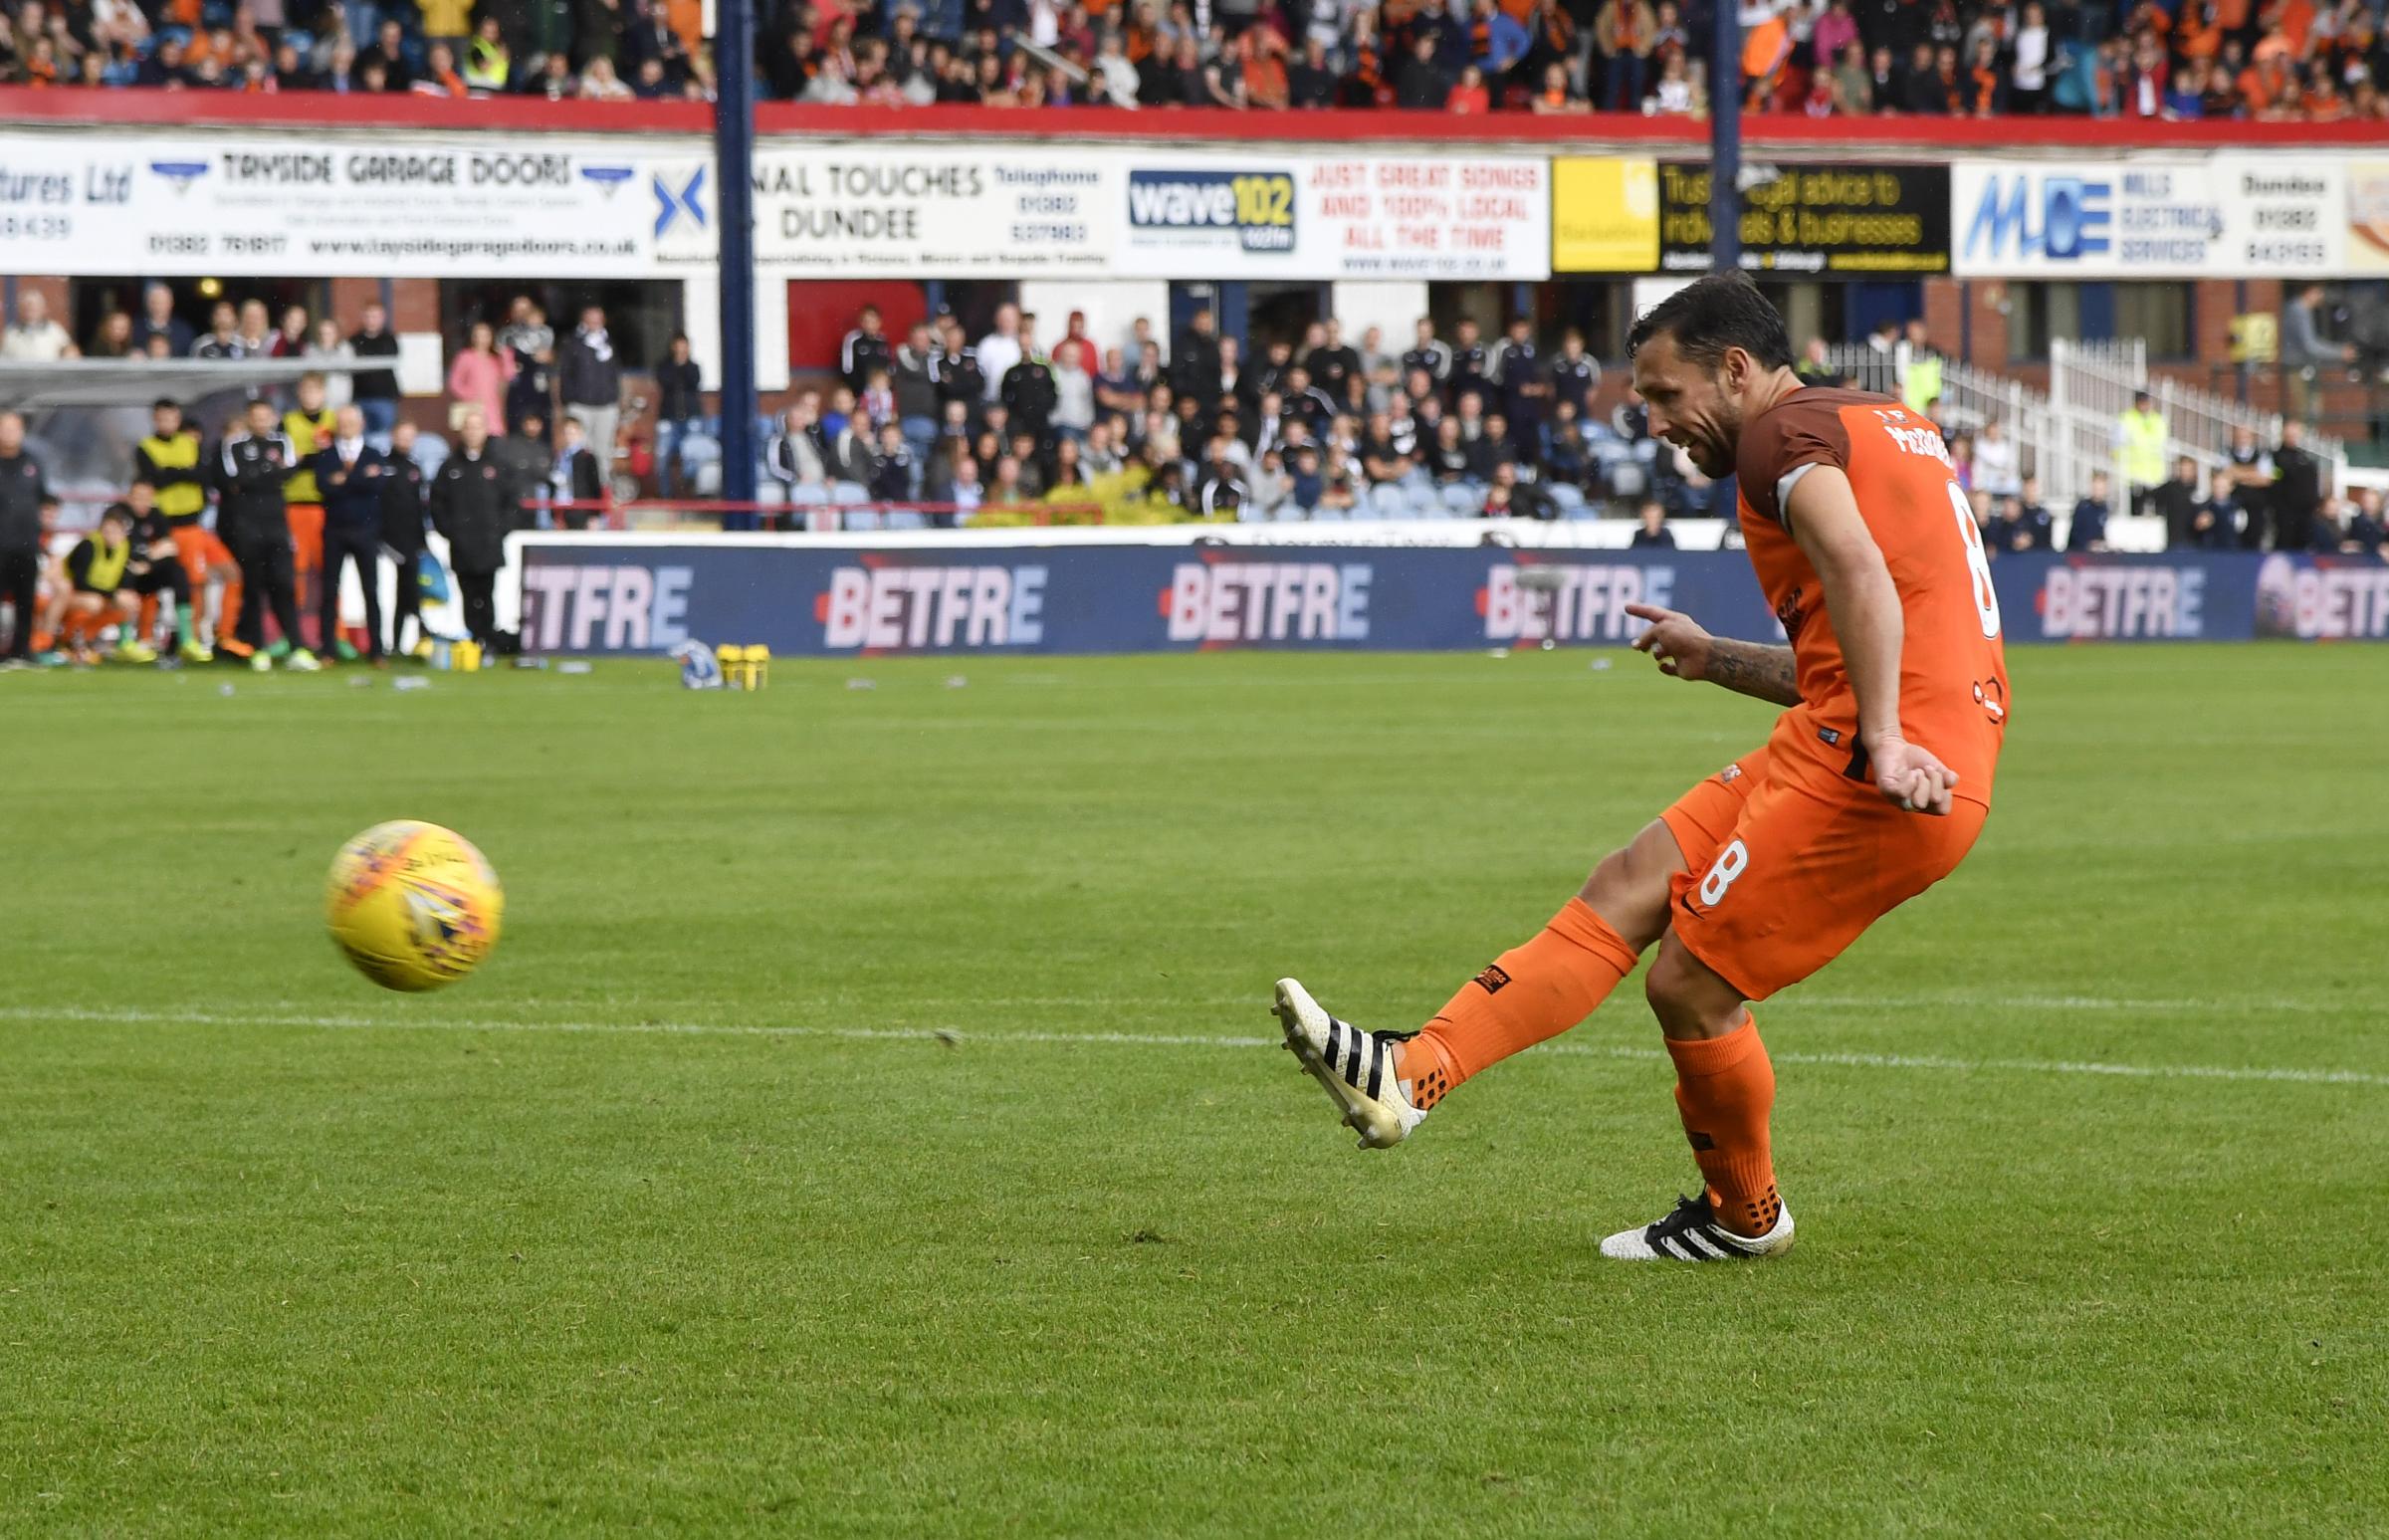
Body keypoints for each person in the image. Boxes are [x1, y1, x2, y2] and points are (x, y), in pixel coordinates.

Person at [1269, 273, 2007, 1264]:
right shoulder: (1878, 420)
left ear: (1737, 369)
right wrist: (1719, 657)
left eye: (1666, 395)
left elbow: (1861, 575)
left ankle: (1744, 1214)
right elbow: (1872, 632)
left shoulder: (1775, 440)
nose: (1655, 422)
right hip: (1869, 735)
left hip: (1881, 764)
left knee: (1691, 985)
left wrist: (1882, 738)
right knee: (1631, 879)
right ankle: (1407, 1071)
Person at [212, 397, 319, 671]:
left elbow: (289, 472)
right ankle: (257, 649)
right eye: (255, 417)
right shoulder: (234, 444)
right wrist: (268, 472)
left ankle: (297, 648)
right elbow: (235, 479)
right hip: (247, 525)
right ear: (249, 419)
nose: (260, 421)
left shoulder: (282, 441)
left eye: (265, 416)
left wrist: (261, 473)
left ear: (272, 417)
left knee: (284, 584)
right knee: (252, 588)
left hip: (276, 525)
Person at [311, 404, 388, 663]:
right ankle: (328, 649)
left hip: (366, 530)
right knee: (330, 591)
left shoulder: (373, 454)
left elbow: (376, 485)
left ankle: (377, 650)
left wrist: (344, 479)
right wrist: (359, 479)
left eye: (351, 422)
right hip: (334, 530)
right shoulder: (326, 455)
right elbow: (323, 487)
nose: (346, 427)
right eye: (342, 423)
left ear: (361, 423)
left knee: (371, 590)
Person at [428, 409, 510, 645]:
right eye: (468, 427)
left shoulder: (497, 466)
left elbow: (512, 502)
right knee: (468, 593)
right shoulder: (450, 467)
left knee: (487, 592)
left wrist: (499, 529)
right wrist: (450, 531)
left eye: (477, 427)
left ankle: (489, 640)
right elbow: (437, 504)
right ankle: (473, 639)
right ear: (462, 431)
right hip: (462, 544)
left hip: (489, 543)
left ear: (485, 431)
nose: (473, 432)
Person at [48, 505, 156, 664]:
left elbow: (133, 568)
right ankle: (66, 640)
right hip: (67, 595)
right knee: (93, 603)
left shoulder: (123, 547)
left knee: (129, 600)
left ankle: (123, 643)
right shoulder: (88, 546)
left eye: (115, 530)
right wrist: (113, 595)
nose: (110, 535)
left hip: (99, 595)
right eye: (107, 530)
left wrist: (145, 566)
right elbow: (80, 583)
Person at [282, 374, 339, 649]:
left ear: (323, 394)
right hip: (295, 504)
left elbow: (335, 459)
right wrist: (312, 459)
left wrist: (309, 458)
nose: (310, 397)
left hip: (326, 506)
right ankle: (293, 637)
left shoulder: (334, 421)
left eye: (315, 391)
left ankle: (334, 636)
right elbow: (286, 465)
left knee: (329, 572)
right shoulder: (288, 422)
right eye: (305, 391)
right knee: (297, 573)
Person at [119, 481, 205, 662]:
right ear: (129, 497)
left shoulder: (156, 515)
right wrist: (142, 557)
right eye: (137, 497)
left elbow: (169, 547)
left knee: (179, 574)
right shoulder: (119, 515)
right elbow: (116, 545)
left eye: (146, 498)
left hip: (148, 569)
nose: (141, 502)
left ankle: (186, 640)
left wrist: (147, 563)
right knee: (124, 574)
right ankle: (124, 642)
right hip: (123, 572)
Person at [0, 412, 50, 666]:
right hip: (1, 545)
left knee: (25, 602)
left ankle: (22, 652)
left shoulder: (32, 462)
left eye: (13, 428)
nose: (9, 433)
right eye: (4, 428)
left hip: (27, 544)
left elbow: (44, 498)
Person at [380, 421, 433, 658]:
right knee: (397, 592)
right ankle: (416, 634)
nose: (405, 441)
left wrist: (423, 540)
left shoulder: (414, 468)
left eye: (410, 437)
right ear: (393, 436)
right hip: (389, 541)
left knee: (408, 591)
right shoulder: (383, 466)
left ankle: (408, 640)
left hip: (411, 540)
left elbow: (418, 508)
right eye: (402, 436)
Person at [558, 305, 624, 466]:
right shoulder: (573, 343)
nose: (595, 322)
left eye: (598, 319)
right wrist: (570, 399)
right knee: (581, 449)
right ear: (584, 320)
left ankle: (601, 488)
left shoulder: (609, 345)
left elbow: (615, 374)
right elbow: (566, 373)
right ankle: (582, 488)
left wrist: (613, 397)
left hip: (605, 406)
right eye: (592, 319)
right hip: (581, 405)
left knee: (603, 451)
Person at [2280, 283, 2351, 426]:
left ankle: (2307, 440)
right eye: (2319, 292)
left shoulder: (2299, 309)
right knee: (2305, 409)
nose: (2321, 297)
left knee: (2312, 408)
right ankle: (2303, 444)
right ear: (2310, 291)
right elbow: (2310, 346)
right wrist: (2340, 352)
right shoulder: (2298, 310)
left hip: (2304, 366)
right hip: (2297, 367)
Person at [654, 331, 703, 497]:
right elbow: (665, 382)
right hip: (668, 417)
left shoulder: (693, 367)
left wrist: (684, 364)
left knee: (692, 456)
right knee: (662, 456)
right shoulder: (664, 366)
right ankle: (665, 494)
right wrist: (676, 364)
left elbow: (693, 382)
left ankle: (690, 492)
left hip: (691, 417)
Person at [349, 304, 403, 441]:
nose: (371, 320)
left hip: (384, 397)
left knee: (385, 437)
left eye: (375, 316)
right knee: (361, 437)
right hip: (360, 397)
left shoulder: (389, 339)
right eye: (368, 316)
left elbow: (390, 357)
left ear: (382, 318)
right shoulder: (355, 340)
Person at [2271, 420, 2324, 553]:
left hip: (2306, 513)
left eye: (2296, 435)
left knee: (2303, 545)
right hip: (2286, 512)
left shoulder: (2305, 457)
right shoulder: (2276, 457)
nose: (2293, 438)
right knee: (2285, 544)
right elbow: (2274, 477)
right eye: (2290, 435)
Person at [2115, 390, 2168, 520]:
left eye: (2146, 402)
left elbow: (2162, 444)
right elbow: (2117, 445)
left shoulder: (2158, 419)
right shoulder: (2126, 419)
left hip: (2155, 474)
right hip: (2134, 474)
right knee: (2135, 512)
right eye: (2141, 402)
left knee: (2158, 512)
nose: (2144, 405)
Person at [550, 417, 605, 527]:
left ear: (580, 433)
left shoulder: (587, 457)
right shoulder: (558, 457)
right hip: (562, 508)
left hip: (581, 509)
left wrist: (595, 514)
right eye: (566, 433)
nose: (569, 436)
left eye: (573, 433)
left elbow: (595, 487)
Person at [1, 291, 79, 361]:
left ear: (43, 308)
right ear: (20, 308)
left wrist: (69, 354)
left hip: (48, 374)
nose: (30, 308)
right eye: (27, 305)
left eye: (34, 305)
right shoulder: (10, 331)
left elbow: (69, 349)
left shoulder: (53, 328)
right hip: (18, 375)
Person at [839, 305, 893, 395]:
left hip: (881, 393)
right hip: (860, 393)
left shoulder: (883, 341)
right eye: (867, 321)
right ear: (861, 323)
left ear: (879, 322)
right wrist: (859, 392)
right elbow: (847, 369)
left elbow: (889, 368)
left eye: (873, 321)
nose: (870, 325)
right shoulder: (852, 339)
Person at [2066, 470, 2112, 552]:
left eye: (2101, 489)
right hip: (2080, 553)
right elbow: (2074, 534)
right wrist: (2088, 544)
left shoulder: (2104, 508)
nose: (2098, 492)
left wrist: (2102, 543)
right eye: (2096, 488)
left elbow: (2101, 532)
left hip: (2097, 554)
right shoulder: (2083, 507)